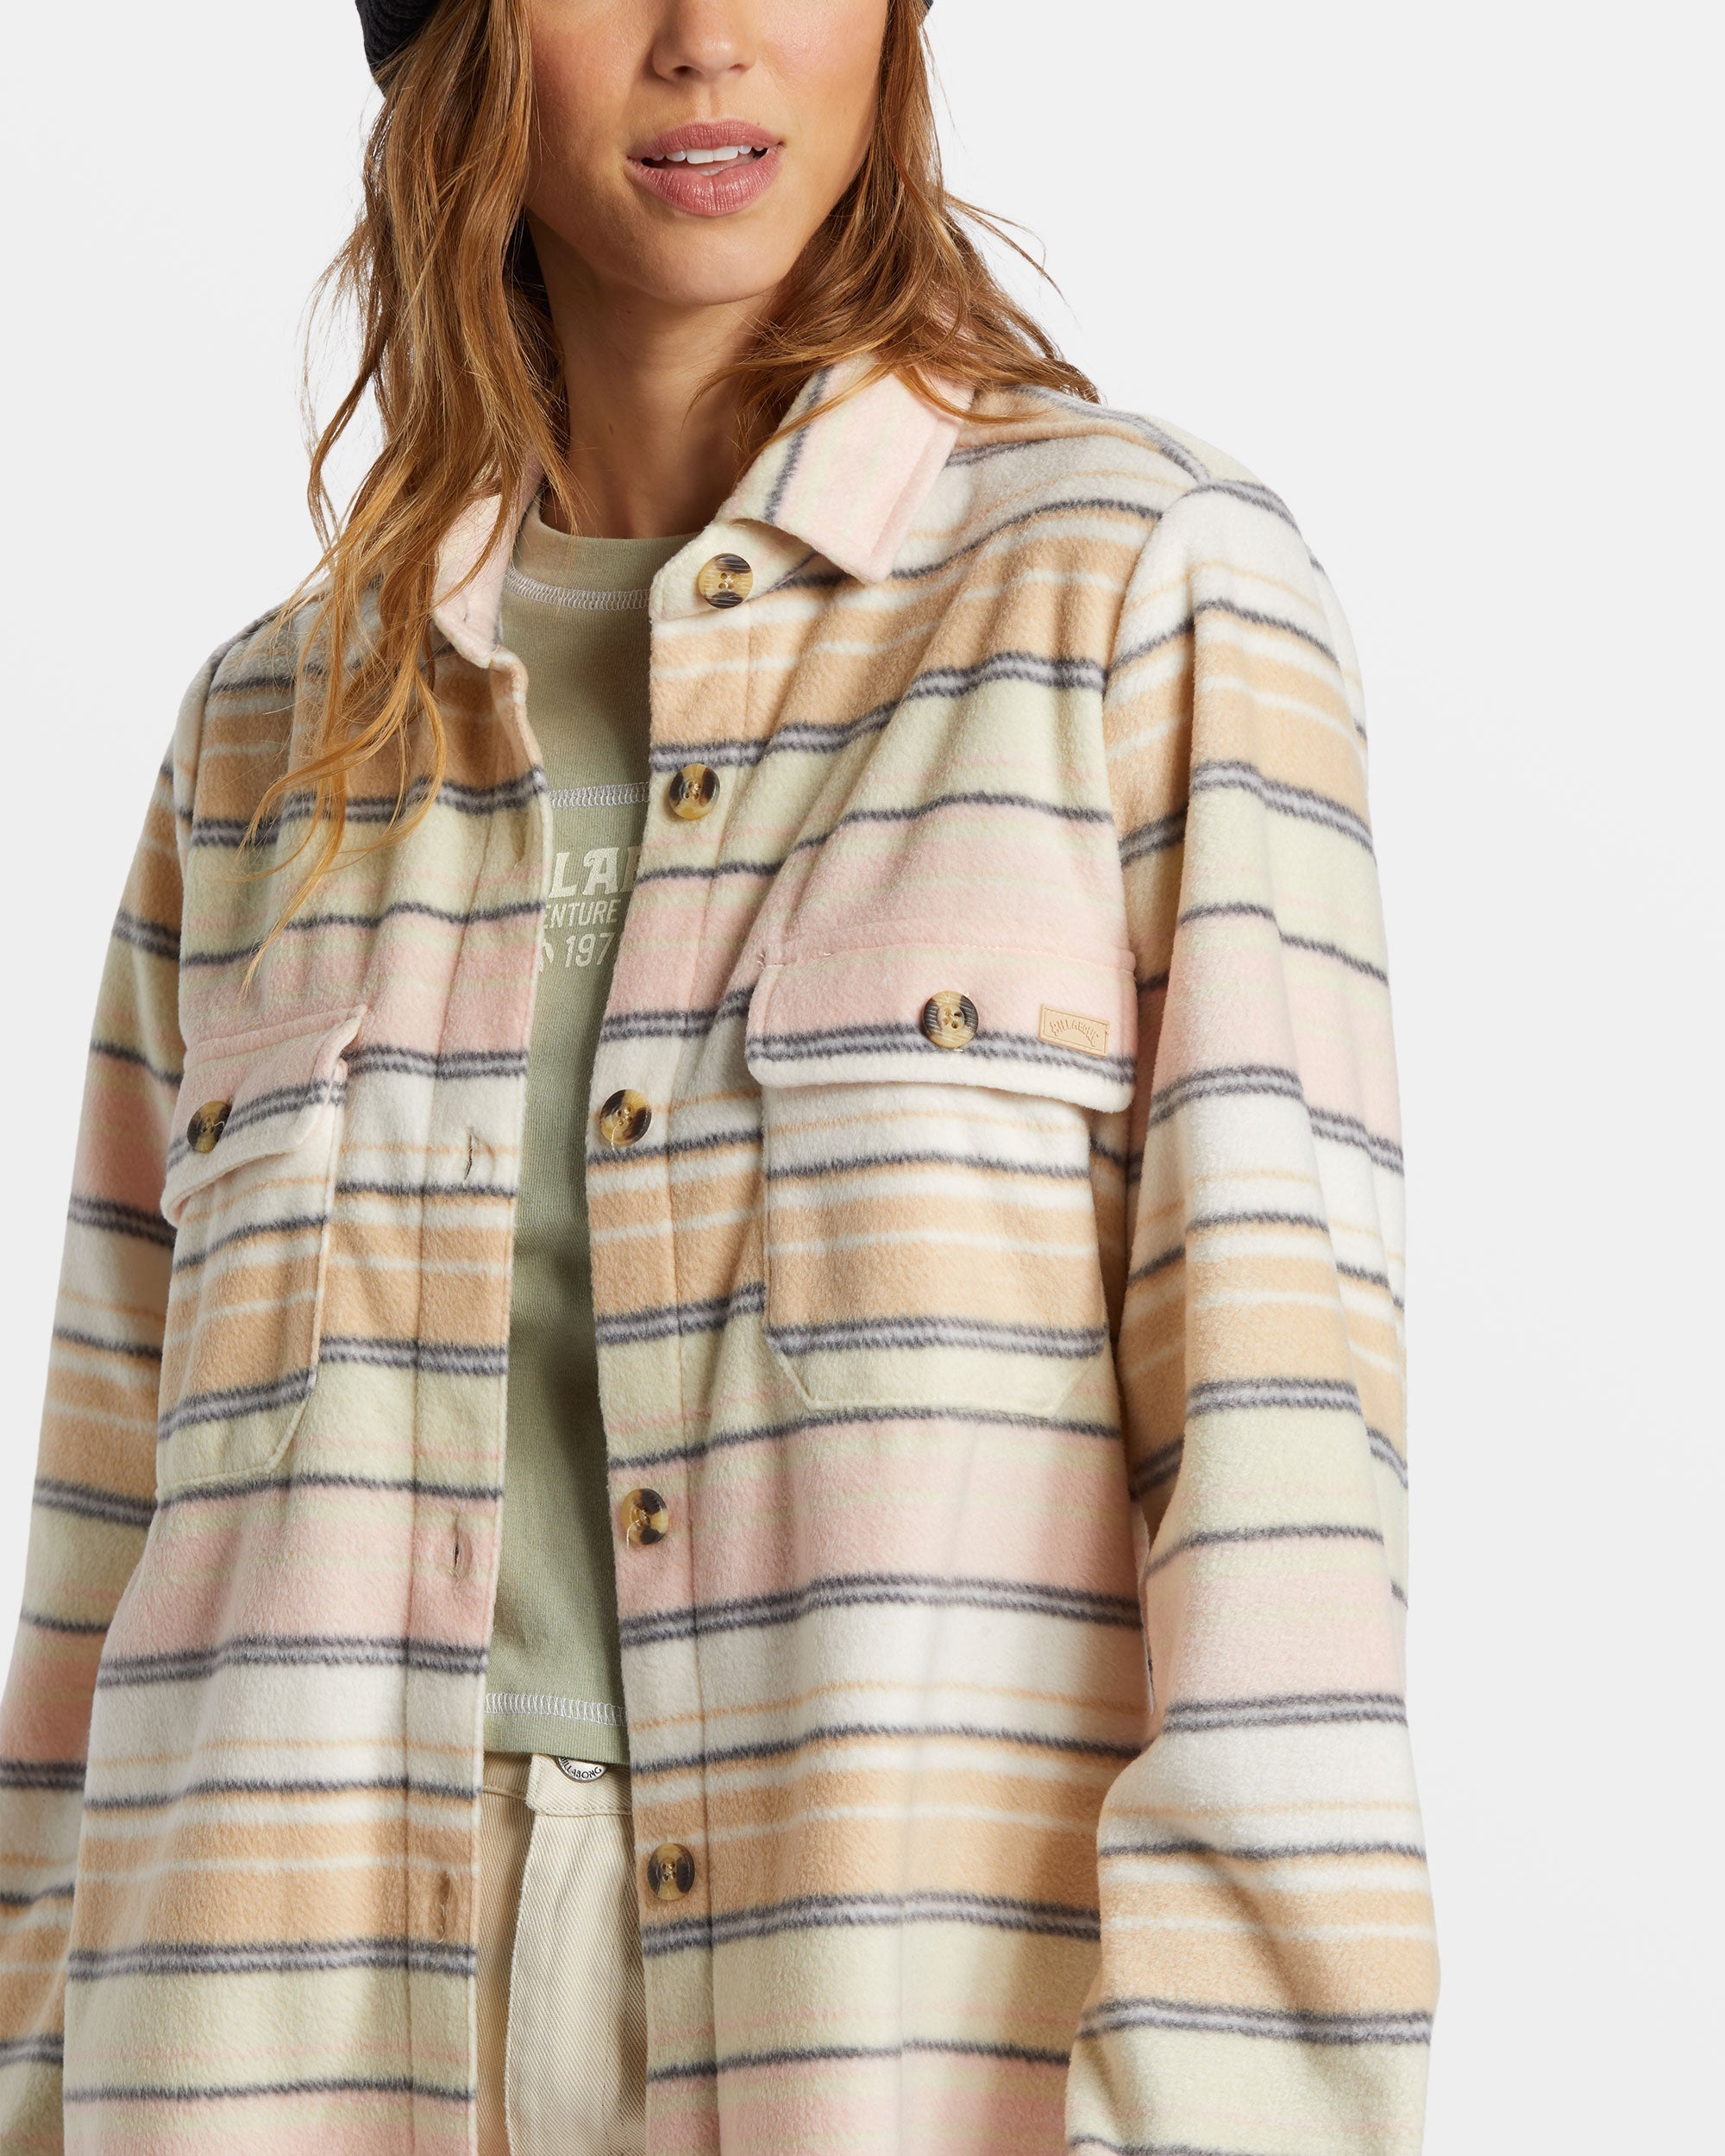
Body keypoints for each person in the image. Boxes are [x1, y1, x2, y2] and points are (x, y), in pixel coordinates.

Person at [0, 0, 1437, 2149]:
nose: (707, 41)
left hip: (872, 2042)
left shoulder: (1138, 593)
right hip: (255, 2048)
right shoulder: (266, 733)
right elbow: (98, 1561)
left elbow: (1283, 1515)